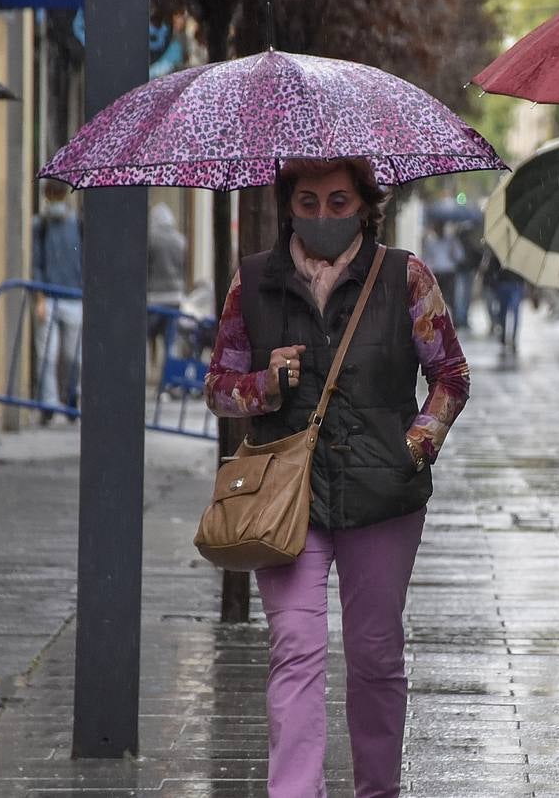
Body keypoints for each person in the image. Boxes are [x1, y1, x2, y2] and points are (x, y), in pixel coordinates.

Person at [204, 157, 469, 798]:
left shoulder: (405, 276)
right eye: (308, 201)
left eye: (338, 202)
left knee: (375, 654)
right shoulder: (253, 283)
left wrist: (416, 444)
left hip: (383, 495)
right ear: (287, 205)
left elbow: (450, 376)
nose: (322, 215)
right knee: (295, 647)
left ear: (364, 206)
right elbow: (218, 389)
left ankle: (378, 789)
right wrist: (264, 386)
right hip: (284, 497)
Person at [31, 181, 82, 424]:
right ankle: (49, 403)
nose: (56, 200)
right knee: (47, 356)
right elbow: (37, 263)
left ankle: (71, 396)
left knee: (73, 356)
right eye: (52, 195)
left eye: (59, 195)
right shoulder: (40, 226)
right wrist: (39, 298)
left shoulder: (78, 225)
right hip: (49, 296)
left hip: (74, 297)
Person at [146, 202, 189, 371]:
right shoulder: (180, 241)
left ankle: (150, 371)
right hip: (175, 296)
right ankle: (167, 376)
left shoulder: (151, 239)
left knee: (148, 336)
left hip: (154, 297)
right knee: (169, 341)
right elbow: (183, 267)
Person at [421, 220, 463, 325]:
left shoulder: (451, 241)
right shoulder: (431, 242)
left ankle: (451, 322)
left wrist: (453, 251)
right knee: (435, 299)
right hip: (436, 273)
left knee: (449, 299)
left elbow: (460, 256)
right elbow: (425, 258)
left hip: (449, 272)